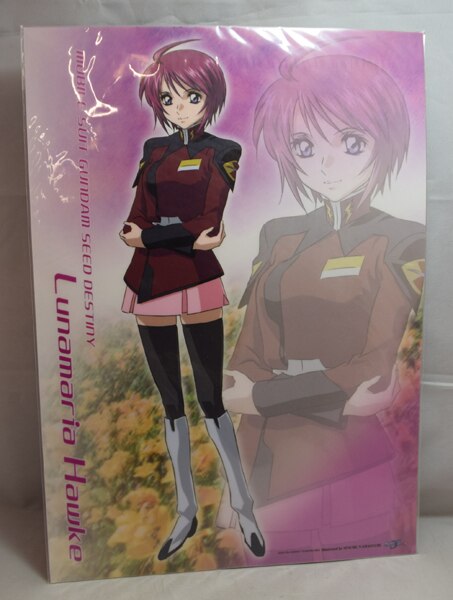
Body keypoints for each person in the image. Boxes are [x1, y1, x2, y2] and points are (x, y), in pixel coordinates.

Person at [222, 50, 425, 564]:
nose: (325, 165)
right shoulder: (279, 235)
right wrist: (320, 395)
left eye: (351, 142)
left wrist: (261, 396)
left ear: (385, 140)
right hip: (262, 460)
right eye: (304, 146)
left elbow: (371, 374)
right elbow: (245, 359)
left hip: (344, 459)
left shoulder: (401, 241)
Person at [119, 40, 265, 560]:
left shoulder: (224, 151)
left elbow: (209, 221)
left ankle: (243, 506)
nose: (179, 107)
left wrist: (152, 235)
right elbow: (134, 218)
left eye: (191, 96)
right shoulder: (153, 150)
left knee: (211, 397)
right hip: (149, 281)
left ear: (210, 98)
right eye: (169, 98)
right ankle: (186, 512)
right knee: (170, 402)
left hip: (196, 280)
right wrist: (159, 233)